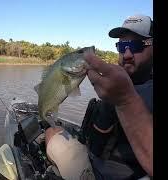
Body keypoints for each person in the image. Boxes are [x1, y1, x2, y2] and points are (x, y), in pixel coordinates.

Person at [44, 14, 153, 180]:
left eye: (137, 45)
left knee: (51, 133)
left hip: (102, 174)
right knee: (55, 130)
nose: (127, 54)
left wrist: (125, 101)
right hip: (92, 155)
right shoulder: (117, 81)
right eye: (122, 46)